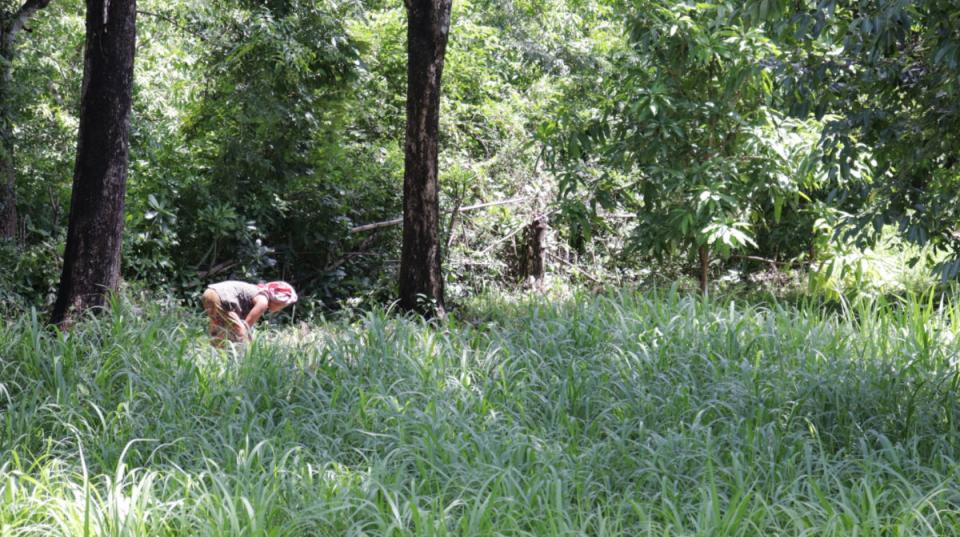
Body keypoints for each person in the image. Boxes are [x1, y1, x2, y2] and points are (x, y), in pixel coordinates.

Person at [202, 280, 297, 346]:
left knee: (220, 329)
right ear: (278, 301)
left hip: (209, 292)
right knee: (240, 331)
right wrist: (250, 347)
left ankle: (215, 356)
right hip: (221, 296)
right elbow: (245, 327)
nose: (280, 310)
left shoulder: (259, 293)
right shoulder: (263, 302)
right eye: (283, 306)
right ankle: (246, 362)